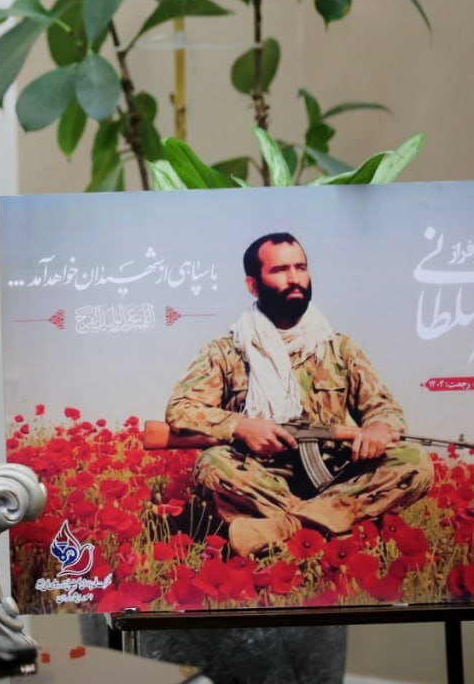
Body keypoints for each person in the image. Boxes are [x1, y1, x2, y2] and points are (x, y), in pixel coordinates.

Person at [165, 232, 433, 558]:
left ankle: (284, 529)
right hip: (262, 479)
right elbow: (181, 409)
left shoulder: (339, 347)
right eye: (280, 270)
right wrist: (242, 426)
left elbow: (383, 407)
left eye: (300, 267)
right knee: (213, 465)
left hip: (337, 475)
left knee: (416, 462)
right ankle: (333, 529)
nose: (294, 278)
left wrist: (379, 428)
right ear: (253, 285)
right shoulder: (226, 351)